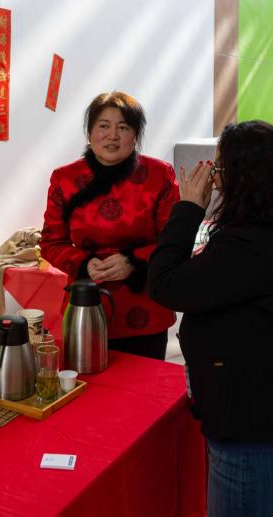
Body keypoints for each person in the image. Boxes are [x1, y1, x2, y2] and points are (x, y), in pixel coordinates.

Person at [148, 121, 273, 516]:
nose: (218, 182)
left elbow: (165, 284)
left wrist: (190, 205)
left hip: (267, 430)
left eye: (222, 172)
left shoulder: (254, 245)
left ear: (242, 179)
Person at [40, 91, 179, 360]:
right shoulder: (64, 179)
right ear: (89, 133)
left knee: (143, 393)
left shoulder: (160, 175)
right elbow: (50, 243)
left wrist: (133, 261)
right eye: (103, 126)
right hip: (86, 306)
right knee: (90, 391)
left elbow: (174, 240)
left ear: (136, 136)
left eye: (123, 127)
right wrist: (83, 263)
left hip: (144, 309)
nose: (112, 135)